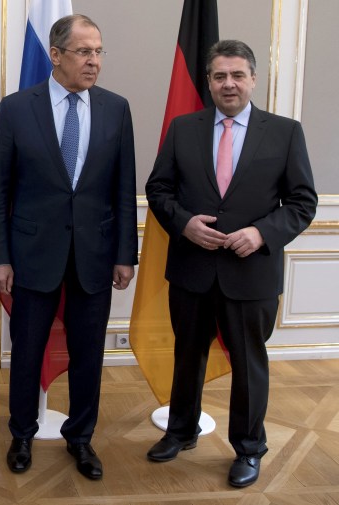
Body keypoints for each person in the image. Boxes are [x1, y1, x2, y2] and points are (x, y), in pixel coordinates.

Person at [145, 40, 317, 488]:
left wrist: (262, 233)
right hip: (192, 269)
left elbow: (302, 202)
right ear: (209, 81)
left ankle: (249, 448)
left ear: (253, 79)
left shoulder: (284, 131)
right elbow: (158, 189)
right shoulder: (183, 128)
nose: (229, 84)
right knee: (187, 357)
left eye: (238, 75)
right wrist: (184, 225)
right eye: (220, 76)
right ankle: (180, 432)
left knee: (249, 363)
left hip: (251, 272)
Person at [0, 14, 137, 479]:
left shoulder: (116, 108)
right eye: (84, 52)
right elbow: (1, 191)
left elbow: (123, 186)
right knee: (27, 350)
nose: (94, 62)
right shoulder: (16, 108)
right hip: (32, 255)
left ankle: (81, 438)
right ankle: (22, 434)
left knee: (89, 354)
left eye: (98, 52)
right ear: (55, 55)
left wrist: (124, 253)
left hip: (95, 253)